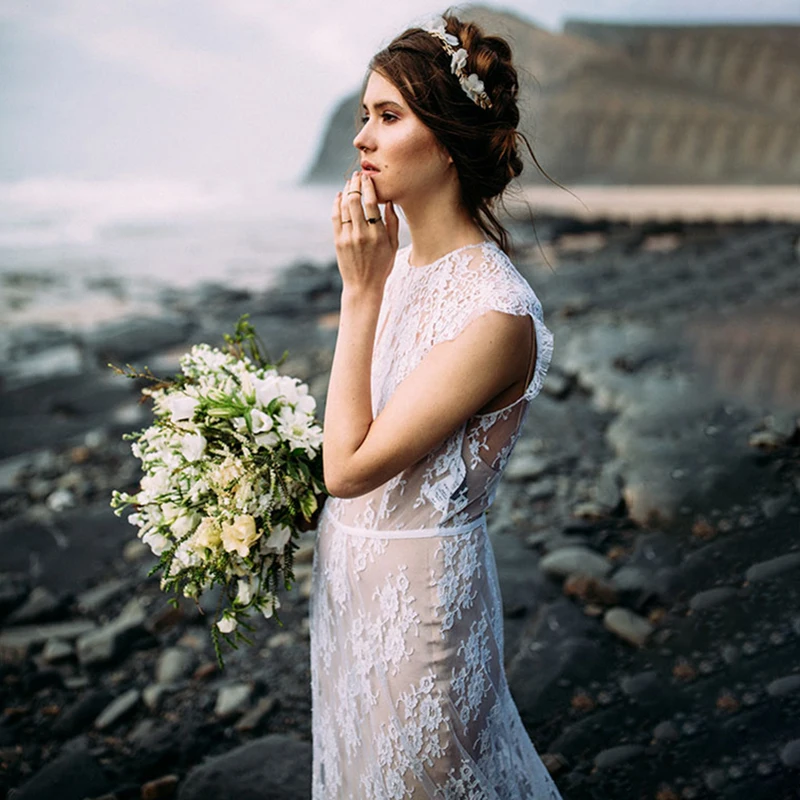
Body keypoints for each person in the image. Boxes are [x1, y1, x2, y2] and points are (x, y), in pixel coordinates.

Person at [309, 10, 563, 798]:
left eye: (388, 116)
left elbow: (347, 467)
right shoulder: (401, 266)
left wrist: (359, 297)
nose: (363, 138)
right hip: (351, 593)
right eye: (362, 117)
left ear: (447, 138)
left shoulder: (493, 315)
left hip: (420, 619)